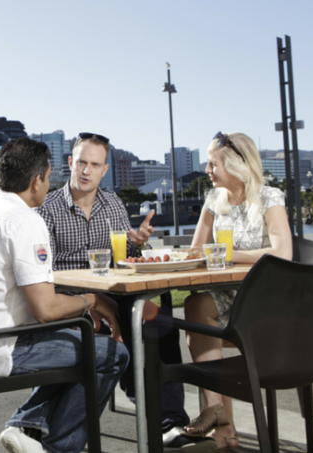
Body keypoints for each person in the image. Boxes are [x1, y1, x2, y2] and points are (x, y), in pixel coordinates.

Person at [36, 132, 211, 451]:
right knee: (127, 330)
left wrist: (138, 241)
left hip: (114, 295)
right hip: (75, 300)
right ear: (71, 163)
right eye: (83, 163)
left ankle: (169, 421)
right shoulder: (47, 209)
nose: (87, 170)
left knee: (158, 322)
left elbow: (122, 254)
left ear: (104, 170)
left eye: (96, 164)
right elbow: (41, 274)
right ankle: (154, 415)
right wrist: (84, 302)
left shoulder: (113, 203)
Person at [0, 137, 129, 453]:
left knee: (76, 339)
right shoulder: (25, 222)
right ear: (36, 181)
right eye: (48, 178)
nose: (49, 185)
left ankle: (27, 426)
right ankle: (56, 447)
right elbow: (45, 310)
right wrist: (93, 300)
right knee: (113, 355)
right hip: (2, 349)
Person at [181, 132, 292, 452]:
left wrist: (227, 255)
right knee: (196, 306)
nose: (207, 169)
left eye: (213, 163)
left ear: (234, 164)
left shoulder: (269, 197)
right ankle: (218, 414)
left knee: (202, 327)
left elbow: (282, 252)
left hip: (263, 301)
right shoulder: (214, 199)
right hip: (225, 297)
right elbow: (196, 251)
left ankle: (224, 432)